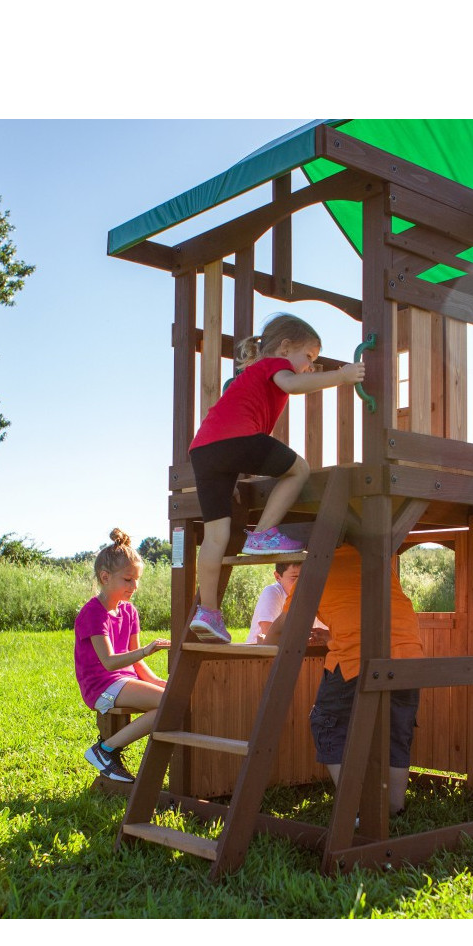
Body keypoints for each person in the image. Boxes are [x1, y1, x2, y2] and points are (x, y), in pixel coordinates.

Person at [187, 313, 365, 644]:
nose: (310, 366)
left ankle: (208, 612)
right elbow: (292, 385)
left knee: (215, 536)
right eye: (308, 356)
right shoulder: (273, 365)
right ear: (284, 347)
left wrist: (233, 477)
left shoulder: (251, 374)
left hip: (204, 450)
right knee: (299, 469)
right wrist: (342, 376)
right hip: (236, 440)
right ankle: (262, 534)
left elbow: (230, 429)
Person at [266, 544, 422, 815]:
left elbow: (284, 625)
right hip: (408, 657)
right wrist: (333, 635)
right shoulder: (374, 557)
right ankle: (394, 808)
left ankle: (358, 809)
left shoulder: (317, 566)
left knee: (327, 724)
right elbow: (365, 609)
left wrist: (264, 646)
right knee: (396, 730)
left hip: (356, 660)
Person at [74, 529, 171, 783]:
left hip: (125, 681)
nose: (134, 586)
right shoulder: (93, 613)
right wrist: (145, 650)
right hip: (101, 686)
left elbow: (136, 663)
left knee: (173, 698)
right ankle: (105, 750)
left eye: (137, 580)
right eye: (128, 579)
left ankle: (112, 753)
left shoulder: (129, 612)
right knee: (169, 705)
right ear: (105, 577)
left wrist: (159, 682)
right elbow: (109, 662)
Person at [248, 562, 329, 645]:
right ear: (278, 577)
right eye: (295, 577)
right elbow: (269, 636)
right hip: (263, 652)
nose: (303, 583)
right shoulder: (273, 592)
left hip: (300, 651)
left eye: (308, 577)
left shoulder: (315, 595)